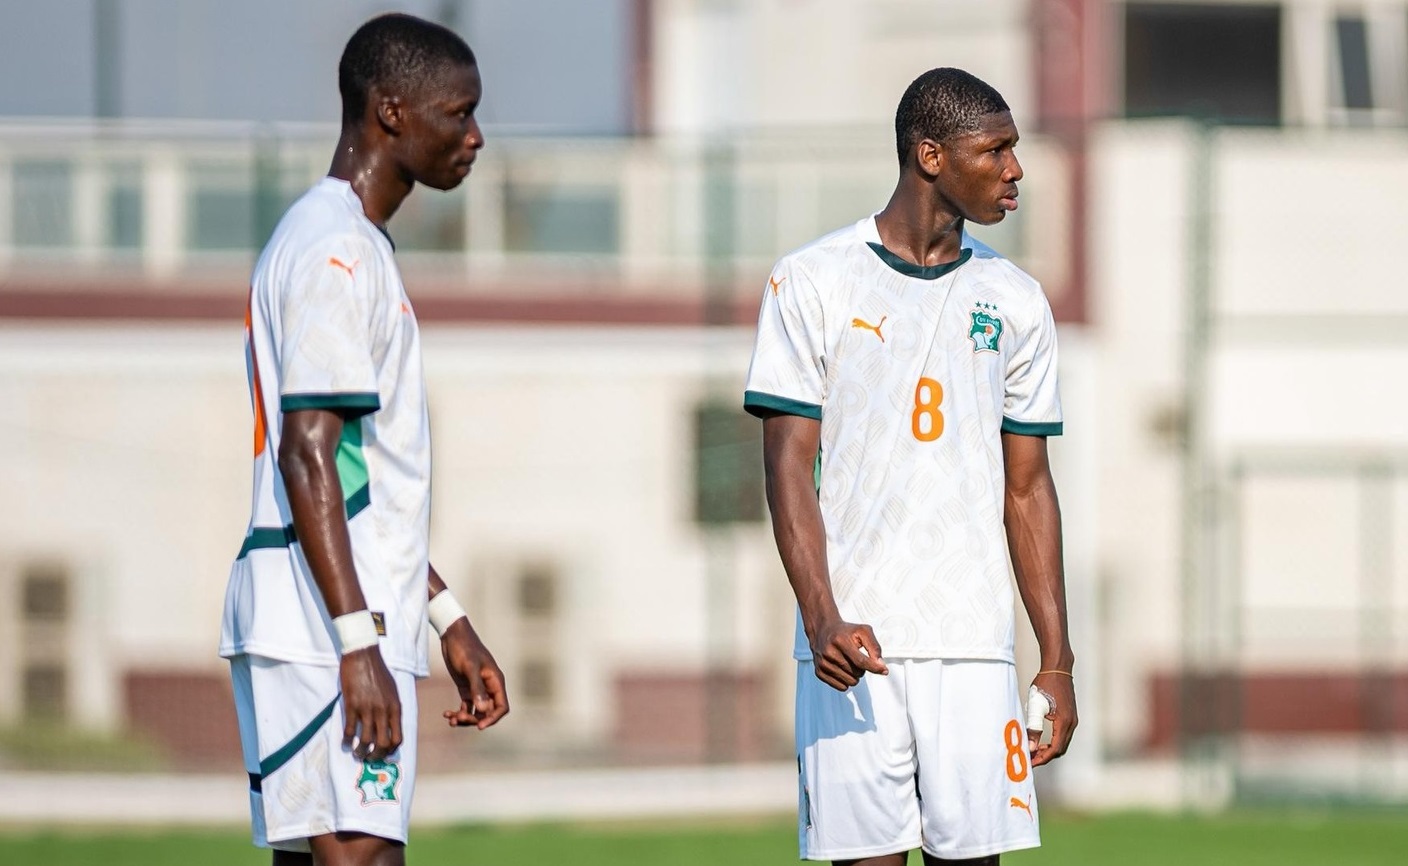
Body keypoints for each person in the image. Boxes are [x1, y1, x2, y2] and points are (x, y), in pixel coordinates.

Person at [743, 68, 1077, 865]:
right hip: (855, 645)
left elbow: (1027, 489)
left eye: (1014, 150)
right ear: (930, 155)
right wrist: (820, 612)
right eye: (994, 150)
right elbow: (789, 466)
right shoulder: (812, 280)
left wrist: (1057, 660)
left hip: (972, 646)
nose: (1014, 169)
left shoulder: (1018, 299)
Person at [219, 13, 508, 865]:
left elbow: (359, 483)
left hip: (337, 615)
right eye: (457, 114)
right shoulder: (333, 252)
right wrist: (358, 646)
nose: (475, 135)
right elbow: (309, 452)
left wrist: (444, 618)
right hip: (321, 628)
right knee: (361, 856)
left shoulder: (354, 246)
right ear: (389, 112)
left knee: (338, 857)